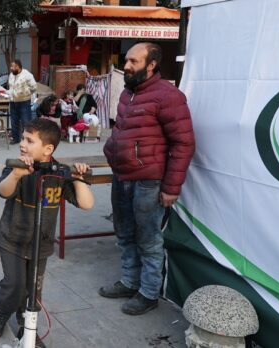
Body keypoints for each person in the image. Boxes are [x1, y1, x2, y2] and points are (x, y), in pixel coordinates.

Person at [100, 42, 195, 315]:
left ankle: (149, 292)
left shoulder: (168, 96)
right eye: (126, 60)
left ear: (151, 65)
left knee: (148, 238)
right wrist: (111, 151)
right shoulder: (128, 93)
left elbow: (183, 144)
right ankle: (130, 281)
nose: (126, 66)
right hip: (122, 176)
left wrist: (171, 188)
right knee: (125, 232)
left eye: (133, 61)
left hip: (149, 182)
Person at [0, 118, 95, 346]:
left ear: (48, 149)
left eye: (29, 140)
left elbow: (86, 204)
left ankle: (27, 325)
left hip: (41, 244)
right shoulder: (16, 165)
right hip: (12, 240)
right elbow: (2, 191)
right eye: (23, 139)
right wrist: (16, 174)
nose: (22, 144)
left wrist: (78, 179)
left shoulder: (60, 173)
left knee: (34, 292)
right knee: (14, 286)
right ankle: (1, 312)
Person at [7, 59, 36, 144]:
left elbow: (34, 87)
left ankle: (29, 139)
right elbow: (11, 87)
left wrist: (25, 93)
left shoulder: (27, 75)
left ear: (18, 67)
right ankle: (15, 138)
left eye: (12, 66)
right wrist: (8, 93)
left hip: (24, 101)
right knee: (14, 121)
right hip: (13, 101)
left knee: (26, 121)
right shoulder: (11, 75)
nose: (11, 68)